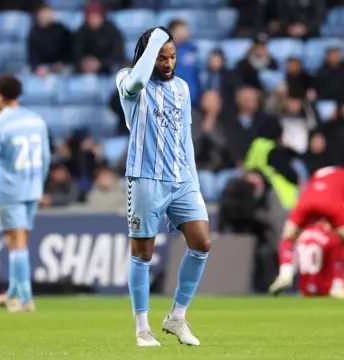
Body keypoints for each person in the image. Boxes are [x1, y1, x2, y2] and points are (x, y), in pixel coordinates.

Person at [116, 27, 211, 347]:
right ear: (148, 56)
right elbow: (139, 80)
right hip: (145, 179)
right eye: (161, 57)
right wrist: (155, 39)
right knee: (142, 254)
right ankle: (142, 328)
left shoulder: (182, 88)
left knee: (202, 243)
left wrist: (194, 182)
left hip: (182, 179)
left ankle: (176, 316)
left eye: (172, 57)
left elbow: (185, 139)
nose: (168, 63)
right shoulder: (128, 79)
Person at [0, 74, 51, 313]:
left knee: (15, 242)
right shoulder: (36, 120)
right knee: (19, 241)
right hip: (32, 187)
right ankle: (14, 292)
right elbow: (46, 157)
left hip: (9, 189)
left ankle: (24, 299)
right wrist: (40, 185)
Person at [281, 166, 344, 247]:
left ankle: (286, 260)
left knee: (287, 236)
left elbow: (310, 189)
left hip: (306, 202)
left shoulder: (320, 172)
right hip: (332, 205)